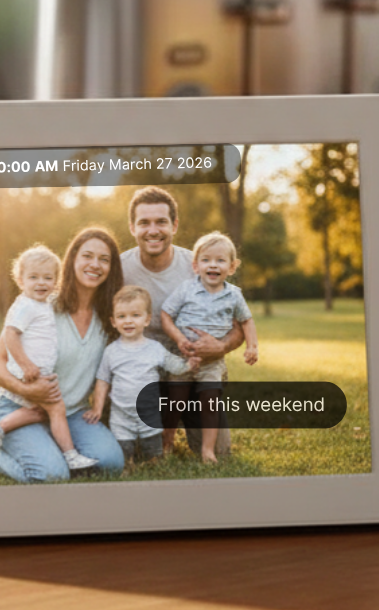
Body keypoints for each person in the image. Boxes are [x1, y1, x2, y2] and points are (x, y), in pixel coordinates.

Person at [0, 227, 125, 482]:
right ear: (72, 260)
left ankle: (50, 446)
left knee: (110, 463)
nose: (95, 264)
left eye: (104, 259)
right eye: (87, 256)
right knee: (51, 475)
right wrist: (27, 390)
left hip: (71, 412)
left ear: (111, 268)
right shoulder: (41, 304)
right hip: (20, 406)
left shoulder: (110, 317)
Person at [119, 187, 244, 454]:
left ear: (174, 225)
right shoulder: (119, 270)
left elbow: (239, 328)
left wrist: (221, 346)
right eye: (144, 222)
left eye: (161, 222)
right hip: (142, 373)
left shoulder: (199, 266)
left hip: (193, 368)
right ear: (132, 227)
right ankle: (156, 426)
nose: (153, 230)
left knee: (219, 451)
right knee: (137, 452)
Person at [0, 243, 97, 473]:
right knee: (56, 408)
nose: (41, 283)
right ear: (20, 281)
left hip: (37, 371)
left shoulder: (44, 303)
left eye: (48, 278)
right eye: (33, 277)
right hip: (29, 373)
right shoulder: (25, 306)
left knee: (39, 411)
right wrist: (26, 365)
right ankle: (69, 455)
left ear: (56, 281)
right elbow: (10, 335)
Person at [161, 232, 258, 464]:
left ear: (232, 267)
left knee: (210, 404)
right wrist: (178, 339)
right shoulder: (186, 289)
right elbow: (165, 314)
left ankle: (207, 450)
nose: (213, 265)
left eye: (220, 260)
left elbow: (246, 321)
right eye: (206, 260)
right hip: (182, 358)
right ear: (196, 266)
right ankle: (167, 442)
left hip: (212, 363)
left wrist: (252, 346)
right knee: (175, 402)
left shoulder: (234, 295)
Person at [85, 284, 192, 465]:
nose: (128, 321)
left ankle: (152, 460)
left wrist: (189, 364)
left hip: (149, 414)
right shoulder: (111, 351)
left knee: (153, 452)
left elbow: (174, 366)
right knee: (123, 453)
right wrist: (97, 408)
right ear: (113, 321)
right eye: (122, 316)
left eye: (135, 315)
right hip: (121, 416)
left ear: (147, 319)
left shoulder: (155, 348)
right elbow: (103, 380)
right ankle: (128, 462)